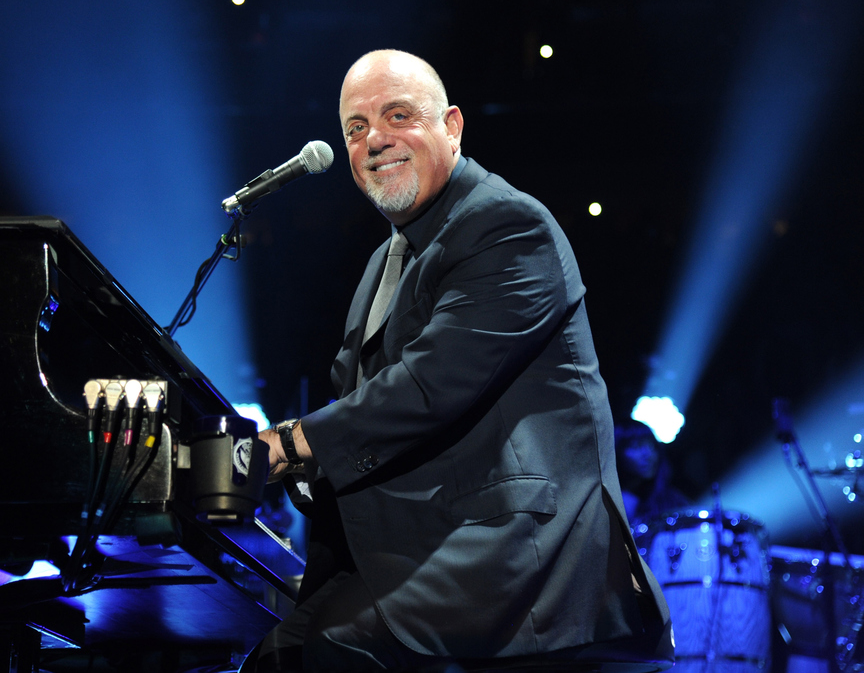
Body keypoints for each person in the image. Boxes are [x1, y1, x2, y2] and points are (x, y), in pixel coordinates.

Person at [251, 50, 673, 672]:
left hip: (518, 554)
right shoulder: (385, 260)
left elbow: (429, 386)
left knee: (319, 656)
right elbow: (358, 397)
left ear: (451, 126)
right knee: (278, 655)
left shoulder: (507, 224)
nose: (375, 140)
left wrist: (284, 445)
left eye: (398, 116)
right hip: (427, 538)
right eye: (356, 127)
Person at [615, 420, 690, 524]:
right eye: (636, 446)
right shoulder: (607, 502)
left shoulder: (670, 498)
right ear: (616, 452)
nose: (648, 454)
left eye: (652, 446)